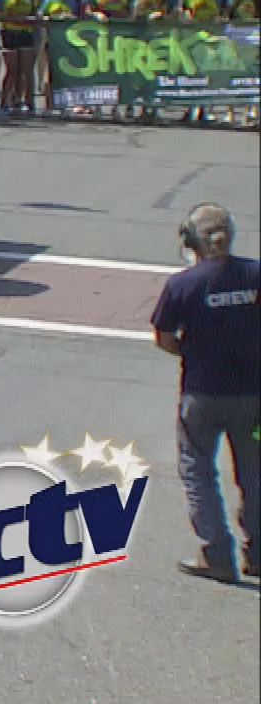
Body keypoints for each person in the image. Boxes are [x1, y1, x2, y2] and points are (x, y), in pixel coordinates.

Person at [150, 205, 259, 583]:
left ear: (190, 240)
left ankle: (216, 554)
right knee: (255, 470)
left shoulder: (182, 285)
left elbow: (163, 338)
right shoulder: (256, 275)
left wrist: (192, 352)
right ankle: (258, 552)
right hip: (253, 399)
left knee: (198, 471)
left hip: (201, 396)